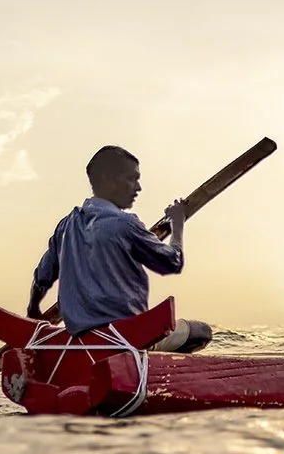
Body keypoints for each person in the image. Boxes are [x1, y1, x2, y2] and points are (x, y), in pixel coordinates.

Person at [27, 145, 212, 353]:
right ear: (107, 180)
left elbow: (41, 279)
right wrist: (178, 223)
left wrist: (33, 310)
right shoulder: (126, 224)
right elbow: (173, 260)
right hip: (126, 339)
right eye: (131, 179)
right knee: (202, 331)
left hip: (82, 341)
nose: (138, 187)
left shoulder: (65, 227)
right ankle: (154, 373)